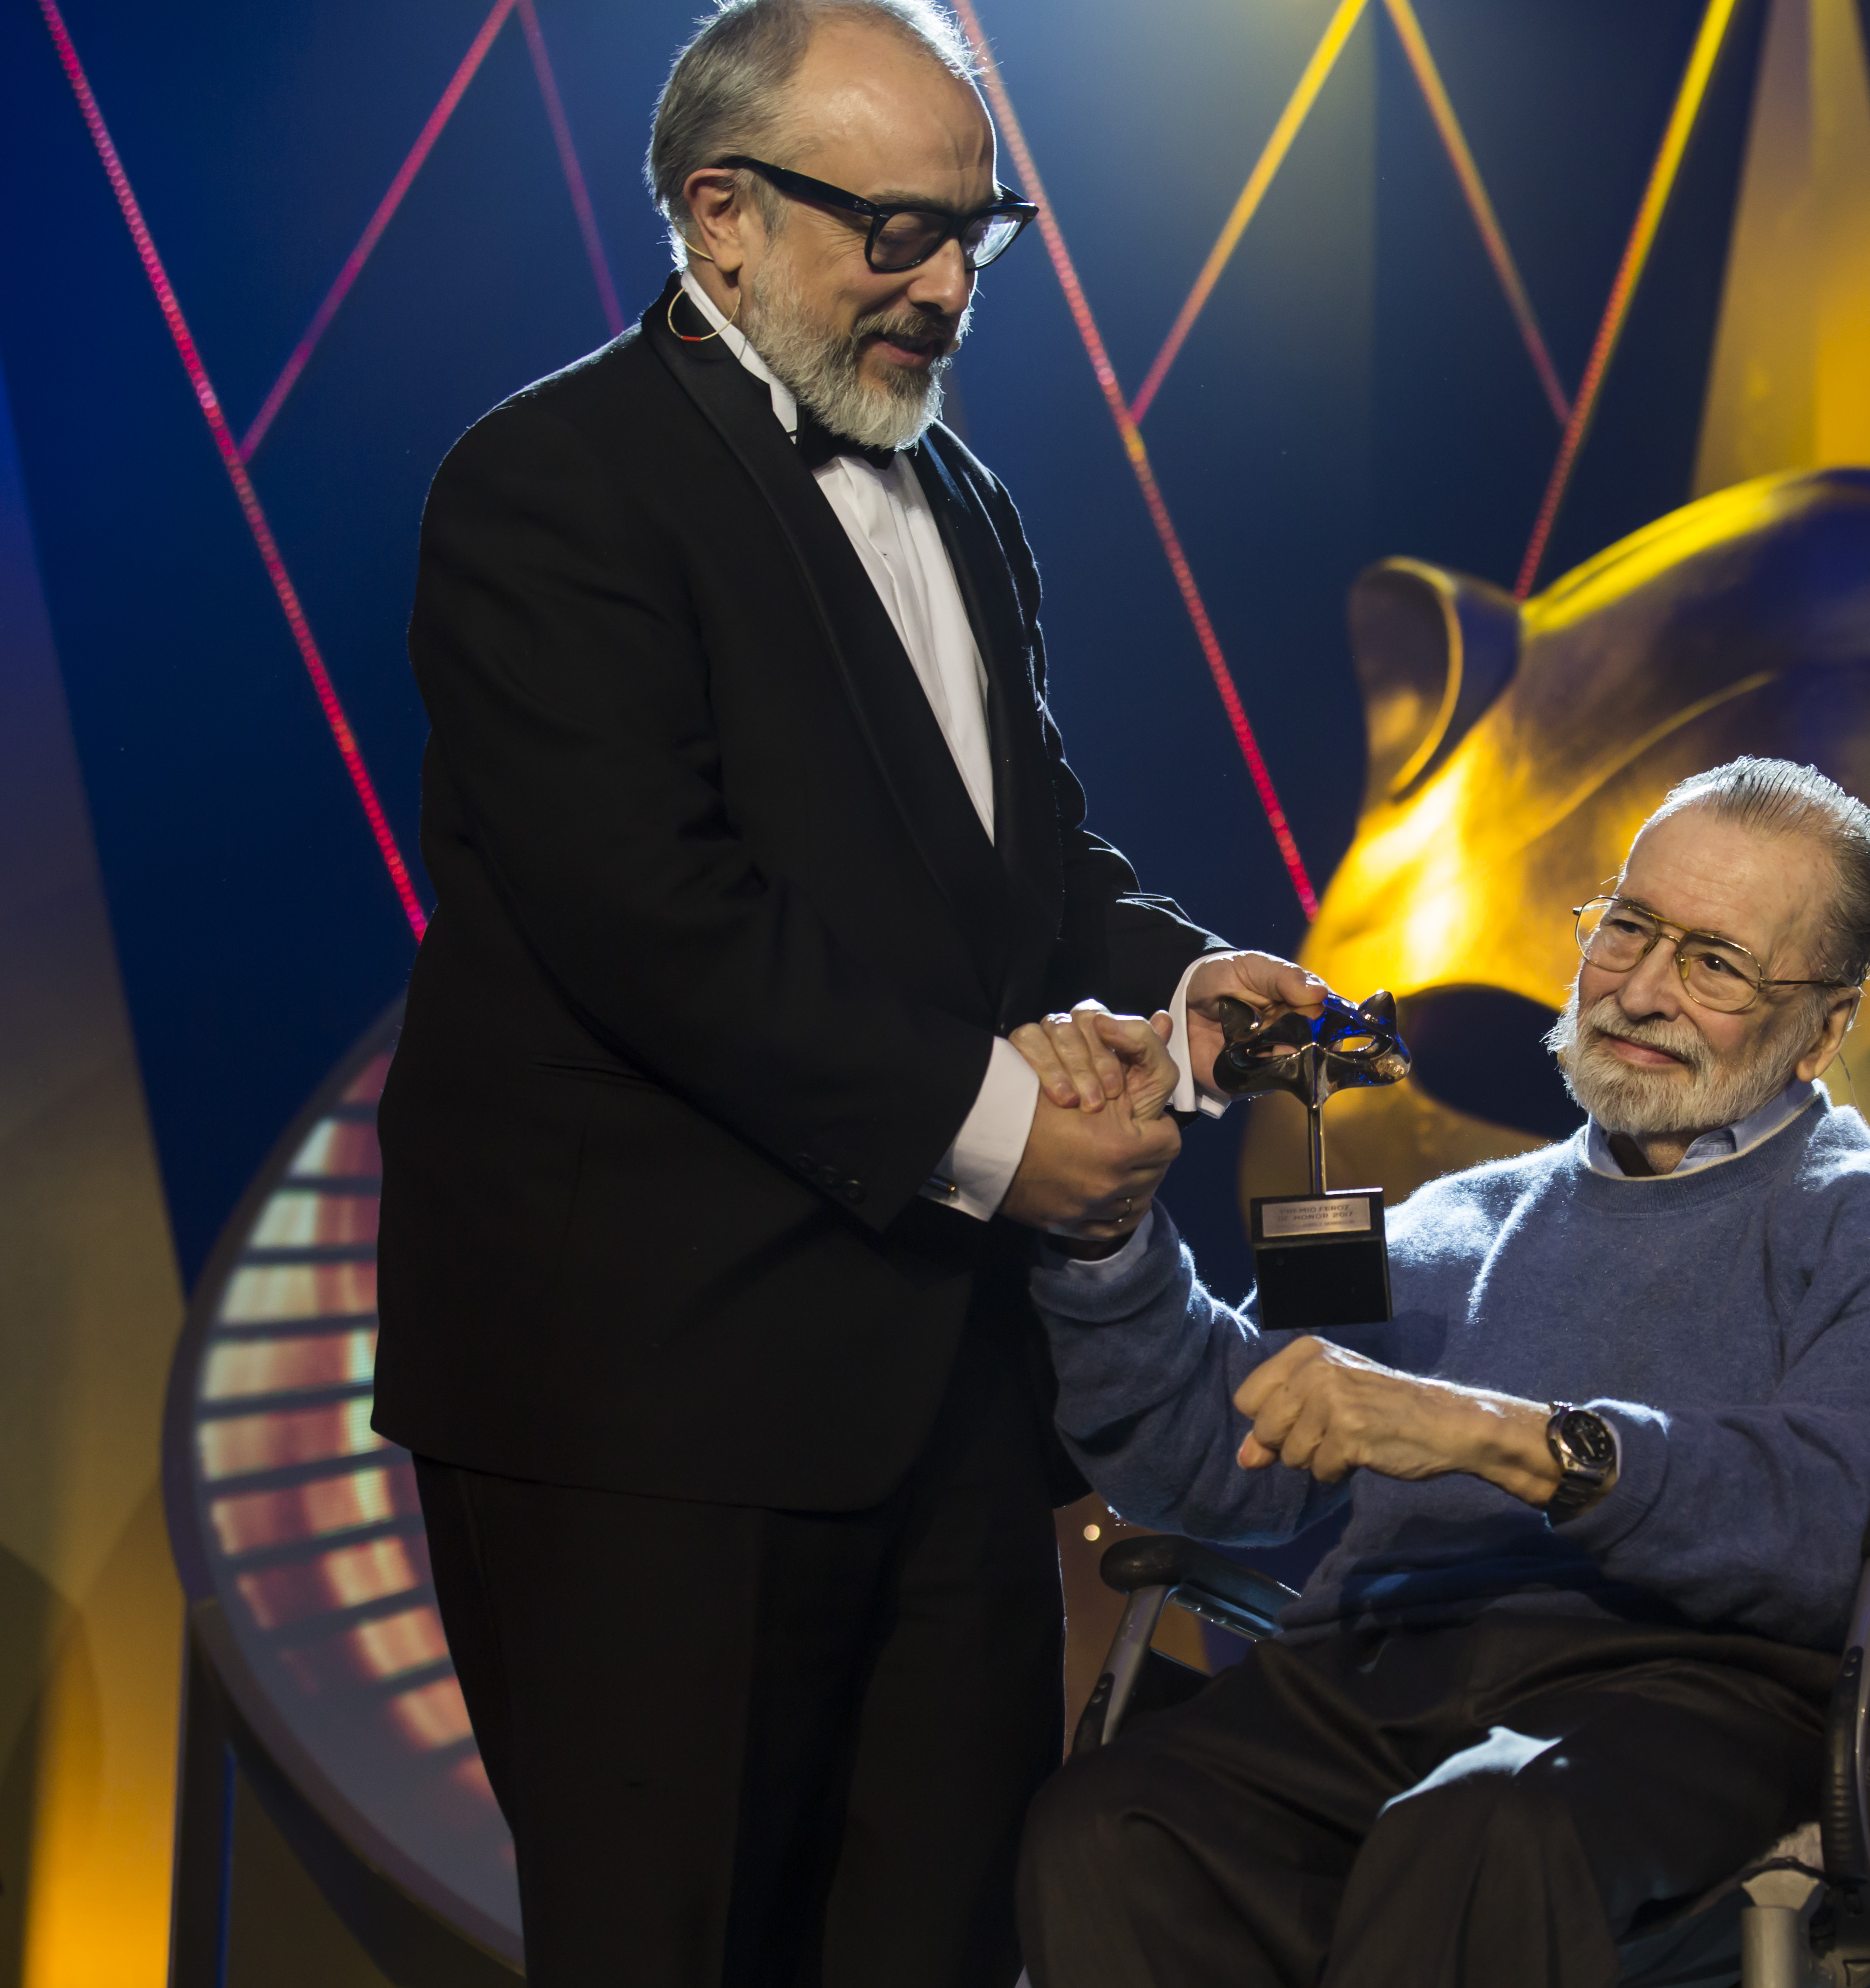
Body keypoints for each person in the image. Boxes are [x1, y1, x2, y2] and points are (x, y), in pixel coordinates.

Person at [370, 3, 1320, 1981]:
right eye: (894, 233)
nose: (949, 286)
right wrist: (1012, 1148)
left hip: (953, 1417)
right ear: (719, 215)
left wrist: (1184, 968)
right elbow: (660, 921)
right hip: (655, 1409)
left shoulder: (965, 505)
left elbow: (1025, 870)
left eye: (980, 234)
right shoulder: (544, 489)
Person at [1017, 758, 1870, 1988]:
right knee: (1114, 1824)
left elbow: (1840, 1519)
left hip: (1694, 1689)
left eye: (1715, 963)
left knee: (1481, 1827)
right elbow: (1209, 1462)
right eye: (1629, 927)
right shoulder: (1454, 1224)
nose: (1641, 989)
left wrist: (1507, 1440)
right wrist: (1106, 1231)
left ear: (1825, 1025)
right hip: (1369, 1678)